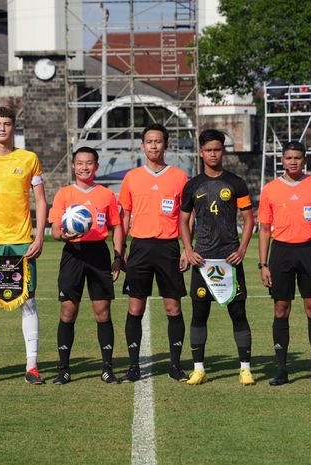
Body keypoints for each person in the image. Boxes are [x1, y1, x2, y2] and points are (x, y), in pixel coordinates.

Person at [0, 106, 48, 386]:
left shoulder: (29, 159)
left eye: (7, 124)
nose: (2, 128)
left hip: (22, 242)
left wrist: (38, 237)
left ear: (14, 128)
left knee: (28, 302)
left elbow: (40, 200)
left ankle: (32, 366)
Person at [179, 129, 255, 386]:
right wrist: (188, 250)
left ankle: (245, 368)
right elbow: (183, 220)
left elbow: (248, 219)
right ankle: (199, 368)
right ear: (201, 152)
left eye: (218, 149)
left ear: (223, 151)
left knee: (238, 312)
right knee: (199, 314)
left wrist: (242, 249)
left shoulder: (236, 183)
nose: (213, 154)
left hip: (229, 260)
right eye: (208, 149)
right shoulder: (192, 185)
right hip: (203, 260)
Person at [258, 141, 311, 387]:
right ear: (282, 160)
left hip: (309, 252)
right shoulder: (270, 189)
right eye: (289, 157)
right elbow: (264, 230)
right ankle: (281, 370)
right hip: (280, 253)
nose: (293, 161)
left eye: (297, 158)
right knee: (281, 308)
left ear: (305, 160)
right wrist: (263, 264)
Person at [119, 123, 190, 383]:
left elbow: (186, 216)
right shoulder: (132, 177)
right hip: (140, 247)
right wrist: (121, 249)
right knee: (135, 307)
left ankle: (175, 365)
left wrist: (186, 247)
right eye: (149, 141)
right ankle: (133, 366)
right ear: (142, 145)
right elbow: (124, 215)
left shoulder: (180, 177)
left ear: (166, 145)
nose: (153, 146)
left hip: (169, 247)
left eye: (158, 141)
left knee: (173, 308)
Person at [48, 147, 124, 385]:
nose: (84, 167)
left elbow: (117, 226)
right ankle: (64, 369)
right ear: (73, 166)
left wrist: (118, 256)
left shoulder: (107, 195)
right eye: (79, 163)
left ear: (96, 166)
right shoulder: (64, 194)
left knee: (103, 313)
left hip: (98, 254)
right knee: (68, 312)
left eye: (89, 163)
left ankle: (107, 369)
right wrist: (64, 236)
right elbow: (55, 231)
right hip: (73, 253)